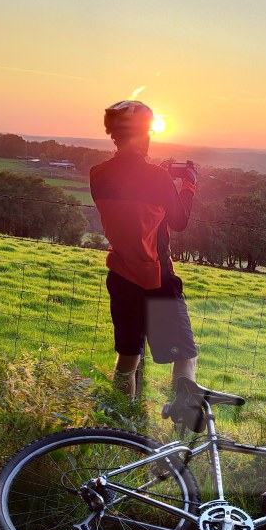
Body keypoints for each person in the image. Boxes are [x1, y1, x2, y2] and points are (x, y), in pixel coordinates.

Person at [90, 100, 198, 401]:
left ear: (114, 134)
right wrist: (188, 187)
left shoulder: (97, 174)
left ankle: (121, 424)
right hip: (157, 279)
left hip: (121, 275)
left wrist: (158, 176)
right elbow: (178, 222)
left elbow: (132, 198)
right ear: (145, 134)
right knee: (184, 355)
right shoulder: (158, 178)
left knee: (127, 358)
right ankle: (183, 425)